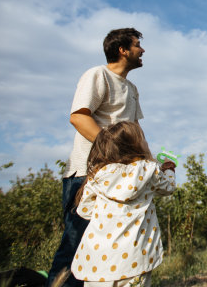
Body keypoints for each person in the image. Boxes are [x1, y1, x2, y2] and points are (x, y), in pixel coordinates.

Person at [47, 28, 146, 287]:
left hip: (117, 180)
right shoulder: (97, 75)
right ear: (123, 50)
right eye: (137, 45)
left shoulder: (132, 88)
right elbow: (79, 117)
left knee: (104, 251)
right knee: (75, 246)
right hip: (86, 176)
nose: (142, 50)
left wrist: (148, 163)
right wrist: (112, 151)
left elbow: (135, 133)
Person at [71, 121, 176, 287]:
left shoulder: (98, 175)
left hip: (97, 262)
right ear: (136, 147)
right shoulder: (148, 170)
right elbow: (168, 188)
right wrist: (169, 169)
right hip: (135, 259)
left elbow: (85, 211)